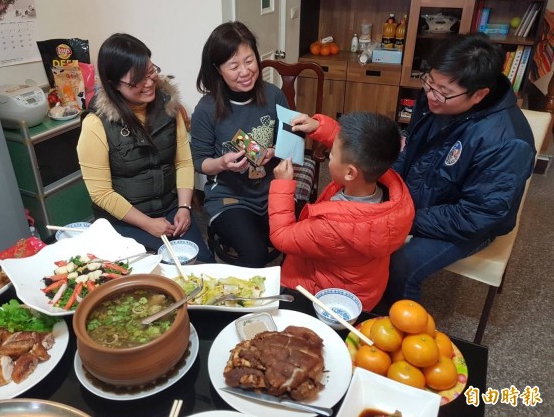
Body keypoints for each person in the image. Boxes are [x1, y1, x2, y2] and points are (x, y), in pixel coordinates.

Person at [383, 33, 536, 305]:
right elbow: (411, 149)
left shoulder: (508, 141)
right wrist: (386, 185)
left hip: (469, 223)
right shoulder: (435, 96)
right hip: (424, 198)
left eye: (443, 92)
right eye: (429, 82)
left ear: (480, 95)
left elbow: (479, 214)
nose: (431, 95)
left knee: (403, 264)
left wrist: (405, 218)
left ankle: (399, 329)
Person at [77, 33, 214, 262]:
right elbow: (101, 193)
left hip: (171, 208)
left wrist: (184, 207)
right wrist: (148, 224)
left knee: (201, 265)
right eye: (137, 79)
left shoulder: (168, 106)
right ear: (113, 84)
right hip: (124, 220)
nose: (149, 82)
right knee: (154, 275)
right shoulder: (96, 124)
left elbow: (183, 162)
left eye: (151, 71)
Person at [269, 112, 415, 311]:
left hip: (328, 297)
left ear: (349, 173)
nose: (329, 157)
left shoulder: (333, 227)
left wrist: (282, 185)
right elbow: (355, 145)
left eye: (331, 156)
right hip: (364, 287)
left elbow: (281, 236)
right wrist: (319, 127)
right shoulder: (390, 183)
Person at [190, 21, 288, 268]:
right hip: (228, 199)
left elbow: (293, 142)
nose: (245, 72)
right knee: (254, 254)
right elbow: (200, 163)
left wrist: (274, 151)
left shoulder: (274, 95)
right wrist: (222, 163)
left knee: (295, 244)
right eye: (233, 66)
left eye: (249, 61)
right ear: (218, 69)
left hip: (270, 193)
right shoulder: (207, 108)